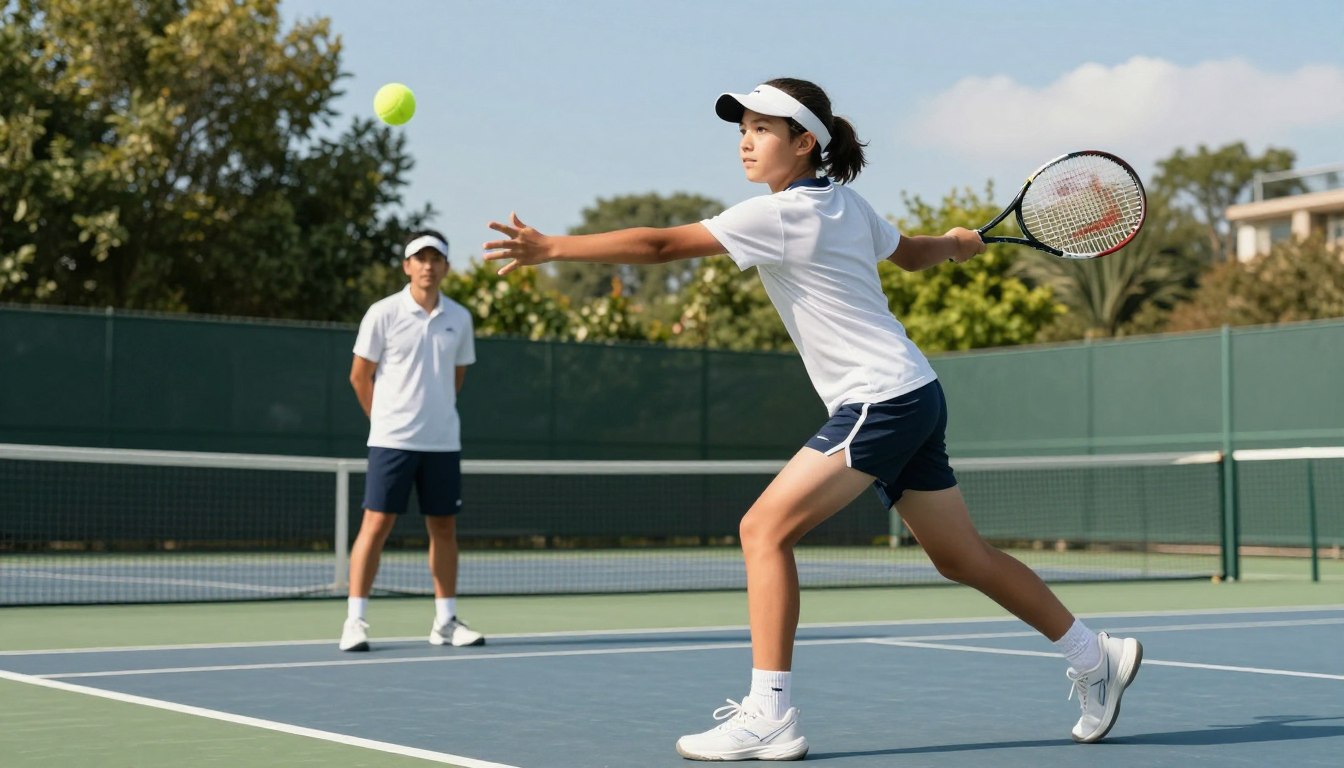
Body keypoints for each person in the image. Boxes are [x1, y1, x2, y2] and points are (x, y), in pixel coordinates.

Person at [483, 78, 1140, 761]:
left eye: (763, 129)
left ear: (804, 144)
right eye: (742, 127)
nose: (745, 138)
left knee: (762, 530)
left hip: (879, 399)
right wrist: (954, 241)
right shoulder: (844, 205)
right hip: (913, 391)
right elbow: (912, 254)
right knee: (959, 556)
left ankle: (769, 713)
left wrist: (553, 248)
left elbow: (658, 248)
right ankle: (1095, 655)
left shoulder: (783, 215)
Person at [339, 229, 485, 652]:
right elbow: (358, 377)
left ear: (446, 267)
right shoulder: (382, 313)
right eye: (419, 258)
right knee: (377, 525)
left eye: (435, 258)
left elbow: (455, 379)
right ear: (407, 266)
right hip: (391, 442)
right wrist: (384, 420)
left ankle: (445, 622)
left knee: (444, 527)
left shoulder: (460, 318)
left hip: (442, 443)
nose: (427, 266)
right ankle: (355, 620)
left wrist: (432, 416)